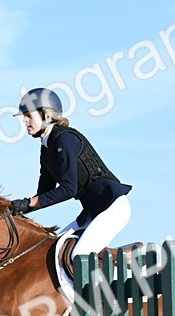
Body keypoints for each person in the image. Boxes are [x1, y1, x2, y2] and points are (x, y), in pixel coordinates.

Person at [9, 87, 133, 267]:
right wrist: (14, 209)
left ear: (47, 116)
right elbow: (45, 193)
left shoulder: (64, 139)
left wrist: (27, 203)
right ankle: (125, 257)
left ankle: (122, 266)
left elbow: (68, 189)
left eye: (29, 115)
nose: (25, 121)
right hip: (93, 211)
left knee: (78, 256)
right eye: (24, 116)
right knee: (54, 251)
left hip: (112, 207)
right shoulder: (47, 148)